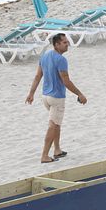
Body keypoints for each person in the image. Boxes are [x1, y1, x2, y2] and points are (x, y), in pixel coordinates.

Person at [25, 33, 87, 163]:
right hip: (56, 98)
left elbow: (37, 76)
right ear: (57, 45)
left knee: (56, 123)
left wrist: (31, 94)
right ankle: (44, 155)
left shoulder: (45, 56)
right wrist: (79, 94)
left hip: (45, 97)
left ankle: (57, 150)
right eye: (64, 42)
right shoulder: (61, 60)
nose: (67, 43)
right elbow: (66, 81)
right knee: (53, 125)